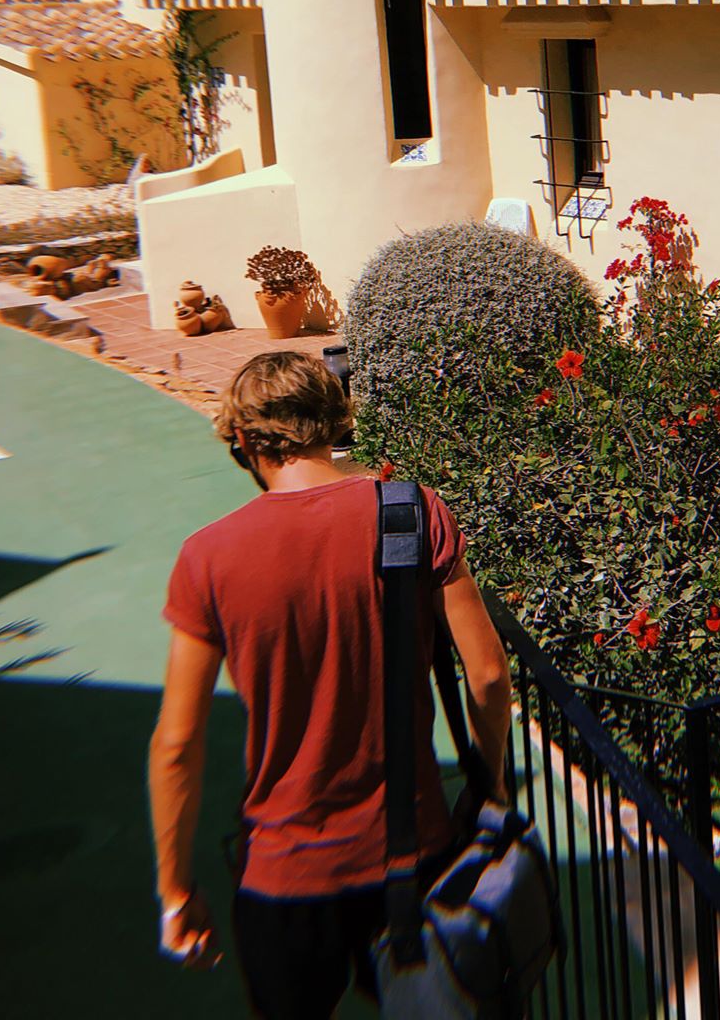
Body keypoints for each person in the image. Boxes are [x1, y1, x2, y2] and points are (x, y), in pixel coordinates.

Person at [147, 350, 512, 1018]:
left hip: (283, 877)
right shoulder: (413, 511)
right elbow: (488, 676)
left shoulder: (208, 557)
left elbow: (177, 744)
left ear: (245, 442)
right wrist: (495, 786)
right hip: (415, 854)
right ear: (334, 421)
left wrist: (176, 891)